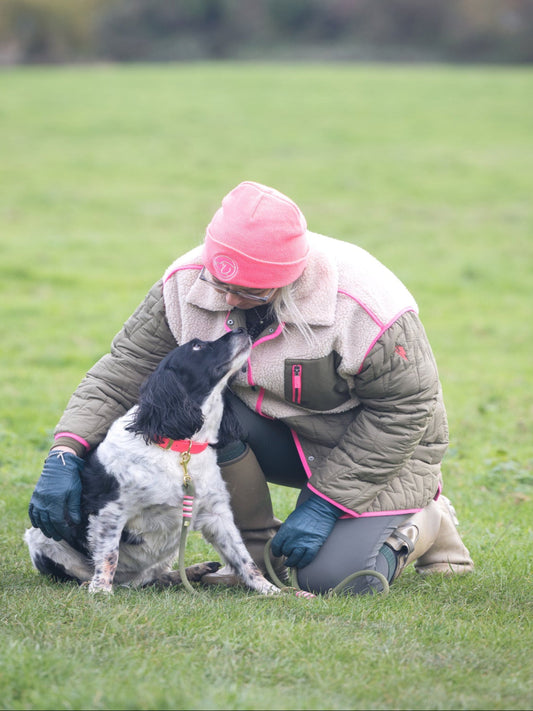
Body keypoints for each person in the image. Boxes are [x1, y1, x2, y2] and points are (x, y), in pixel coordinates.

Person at [28, 181, 474, 594]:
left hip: (374, 448)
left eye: (248, 292)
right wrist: (66, 450)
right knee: (206, 416)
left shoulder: (365, 305)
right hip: (269, 431)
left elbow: (407, 412)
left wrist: (325, 504)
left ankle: (427, 522)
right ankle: (257, 549)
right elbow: (125, 371)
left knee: (338, 580)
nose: (228, 300)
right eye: (219, 283)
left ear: (291, 277)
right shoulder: (185, 281)